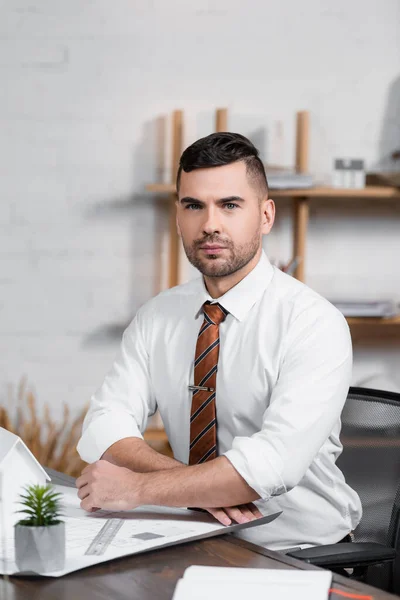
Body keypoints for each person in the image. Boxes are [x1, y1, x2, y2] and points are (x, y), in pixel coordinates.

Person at [76, 132, 362, 550]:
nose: (210, 224)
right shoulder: (157, 316)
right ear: (178, 217)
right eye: (194, 205)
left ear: (266, 216)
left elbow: (268, 469)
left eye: (230, 205)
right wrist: (189, 487)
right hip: (188, 538)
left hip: (302, 552)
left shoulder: (314, 323)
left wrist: (135, 488)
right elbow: (104, 424)